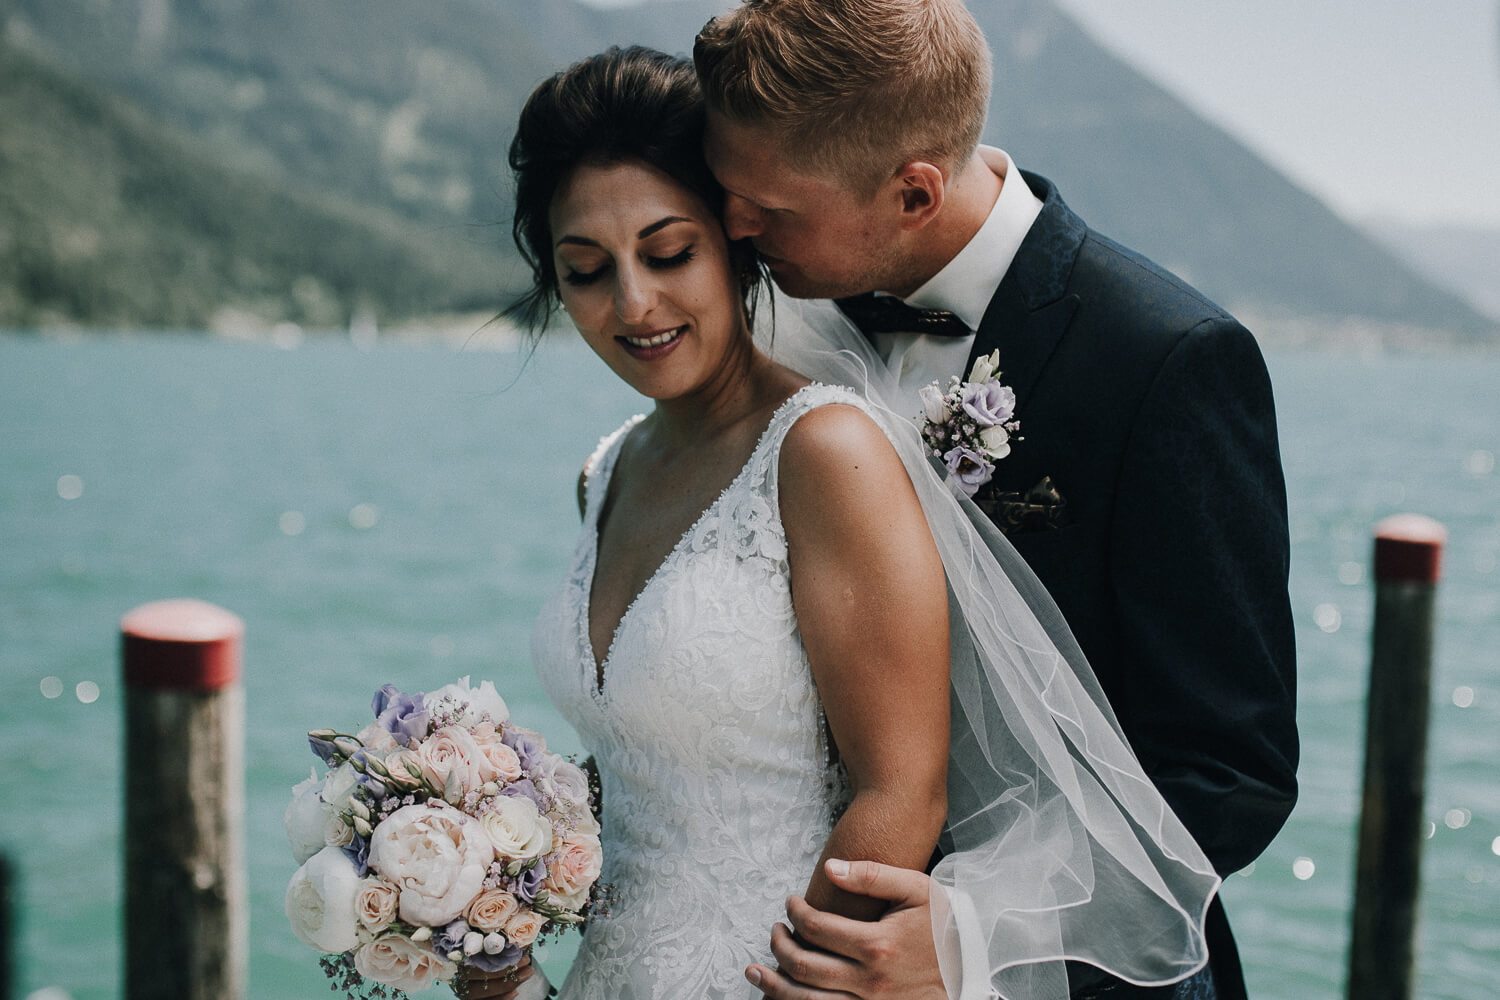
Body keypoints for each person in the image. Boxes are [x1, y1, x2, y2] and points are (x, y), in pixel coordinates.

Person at [473, 43, 1221, 1000]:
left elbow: (900, 788)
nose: (634, 303)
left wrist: (809, 978)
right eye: (585, 270)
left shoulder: (825, 451)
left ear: (738, 241)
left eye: (669, 254)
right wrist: (483, 874)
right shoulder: (606, 469)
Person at [692, 2, 1299, 999]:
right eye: (727, 191)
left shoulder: (1165, 359)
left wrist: (984, 939)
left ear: (914, 193)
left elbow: (1231, 770)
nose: (734, 226)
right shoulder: (780, 305)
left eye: (773, 209)